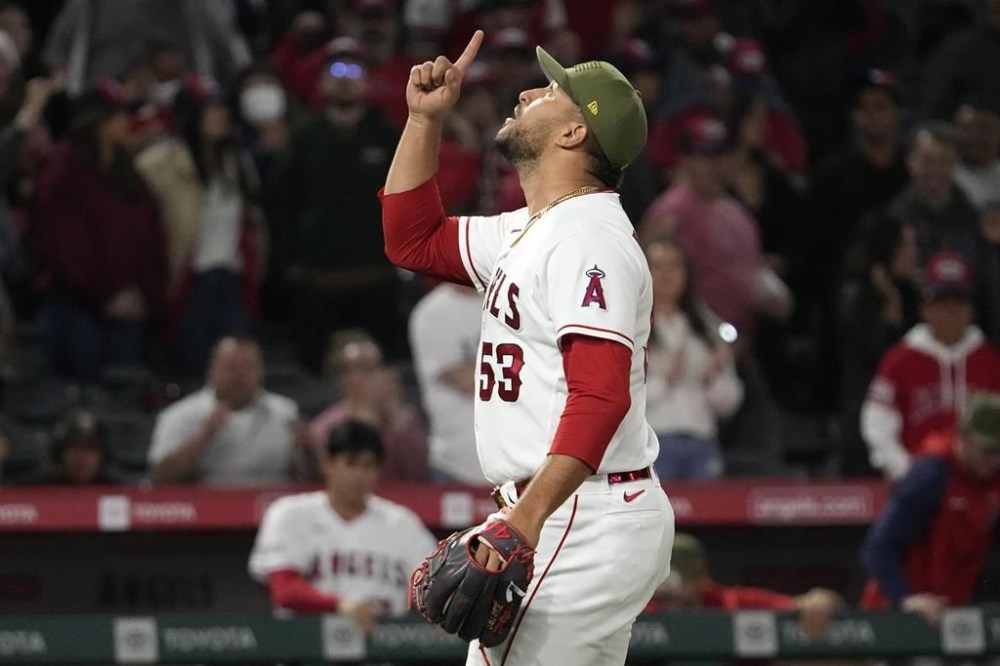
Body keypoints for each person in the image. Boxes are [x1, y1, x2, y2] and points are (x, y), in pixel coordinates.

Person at [380, 30, 674, 665]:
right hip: (571, 510)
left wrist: (525, 520)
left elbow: (601, 397)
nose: (527, 91)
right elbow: (412, 240)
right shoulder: (534, 227)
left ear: (573, 135)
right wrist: (423, 121)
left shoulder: (588, 242)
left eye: (551, 91)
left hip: (577, 513)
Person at [30, 79, 167, 380]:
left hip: (129, 307)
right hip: (75, 306)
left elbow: (149, 233)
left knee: (125, 396)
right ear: (96, 122)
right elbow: (62, 242)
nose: (126, 123)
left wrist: (144, 292)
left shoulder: (128, 171)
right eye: (117, 116)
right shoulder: (63, 166)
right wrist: (105, 293)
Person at [248, 419, 436, 631]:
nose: (359, 475)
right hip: (306, 648)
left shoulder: (402, 523)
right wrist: (342, 605)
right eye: (350, 463)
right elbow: (285, 590)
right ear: (327, 464)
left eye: (368, 465)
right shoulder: (290, 514)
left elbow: (434, 590)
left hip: (383, 648)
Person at [860, 392, 1000, 625]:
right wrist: (906, 599)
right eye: (988, 451)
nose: (995, 460)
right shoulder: (933, 474)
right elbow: (878, 546)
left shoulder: (992, 478)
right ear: (963, 437)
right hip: (899, 616)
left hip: (952, 613)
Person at [861, 252, 1000, 481]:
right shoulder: (900, 359)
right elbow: (877, 421)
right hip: (918, 483)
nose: (950, 313)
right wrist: (906, 471)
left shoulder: (989, 361)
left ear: (971, 309)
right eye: (941, 303)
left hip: (982, 488)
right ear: (924, 308)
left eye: (959, 303)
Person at [148, 336, 310, 485]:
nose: (240, 375)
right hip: (206, 509)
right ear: (213, 369)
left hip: (272, 507)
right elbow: (160, 478)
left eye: (248, 367)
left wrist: (309, 451)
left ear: (261, 371)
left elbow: (309, 478)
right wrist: (204, 435)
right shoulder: (180, 415)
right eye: (231, 367)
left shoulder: (286, 412)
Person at [644, 239, 743, 480]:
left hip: (702, 440)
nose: (666, 274)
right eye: (657, 266)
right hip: (653, 441)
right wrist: (666, 380)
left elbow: (730, 401)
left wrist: (711, 378)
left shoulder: (707, 328)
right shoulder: (630, 327)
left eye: (674, 266)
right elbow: (619, 395)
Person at [838, 215, 921, 476]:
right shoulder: (855, 297)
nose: (914, 254)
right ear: (888, 250)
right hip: (864, 416)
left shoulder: (915, 296)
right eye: (907, 246)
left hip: (907, 413)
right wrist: (891, 312)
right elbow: (884, 360)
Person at [648, 533, 843, 638]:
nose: (669, 589)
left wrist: (821, 600)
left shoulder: (733, 602)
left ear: (702, 576)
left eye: (679, 579)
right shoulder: (642, 610)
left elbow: (804, 604)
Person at [310, 329, 429, 482]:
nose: (374, 375)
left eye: (378, 366)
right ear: (342, 378)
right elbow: (340, 478)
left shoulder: (408, 417)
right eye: (364, 368)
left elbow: (420, 474)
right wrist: (367, 421)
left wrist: (398, 423)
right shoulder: (326, 426)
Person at [409, 283, 487, 483]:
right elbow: (466, 380)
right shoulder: (432, 313)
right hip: (458, 467)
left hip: (525, 462)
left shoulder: (513, 298)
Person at [30, 409, 123, 485]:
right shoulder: (37, 490)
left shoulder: (118, 492)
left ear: (104, 455)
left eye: (91, 448)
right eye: (74, 448)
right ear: (59, 453)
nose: (82, 456)